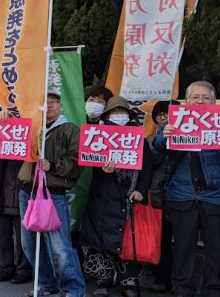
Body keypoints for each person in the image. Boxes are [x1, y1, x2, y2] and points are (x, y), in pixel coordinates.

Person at [152, 81, 220, 297]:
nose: (200, 101)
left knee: (216, 252)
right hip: (182, 195)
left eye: (206, 98)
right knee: (183, 250)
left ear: (214, 102)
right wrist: (164, 136)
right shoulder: (174, 122)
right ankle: (182, 291)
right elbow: (157, 147)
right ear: (186, 101)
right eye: (195, 97)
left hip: (215, 196)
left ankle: (213, 292)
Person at [14, 91, 86, 297]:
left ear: (61, 106)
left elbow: (77, 162)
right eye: (46, 102)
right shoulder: (33, 127)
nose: (50, 106)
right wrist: (4, 115)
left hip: (53, 194)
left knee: (61, 247)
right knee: (29, 244)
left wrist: (52, 165)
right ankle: (46, 283)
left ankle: (74, 289)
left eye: (54, 102)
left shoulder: (70, 129)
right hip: (27, 192)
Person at [80, 96, 154, 297]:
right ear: (107, 115)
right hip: (103, 195)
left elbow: (147, 167)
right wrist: (101, 168)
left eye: (122, 112)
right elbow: (88, 161)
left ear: (129, 115)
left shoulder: (138, 138)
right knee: (102, 239)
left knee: (128, 242)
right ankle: (102, 281)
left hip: (129, 197)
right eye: (114, 112)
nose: (118, 116)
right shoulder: (97, 136)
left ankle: (129, 282)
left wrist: (140, 188)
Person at [0, 156, 33, 285]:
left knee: (23, 236)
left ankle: (23, 270)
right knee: (2, 234)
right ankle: (7, 267)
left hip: (21, 188)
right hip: (0, 190)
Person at [146, 99, 177, 293]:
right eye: (160, 115)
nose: (164, 118)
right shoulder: (150, 140)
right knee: (162, 241)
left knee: (183, 242)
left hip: (182, 198)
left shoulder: (191, 137)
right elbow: (151, 160)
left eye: (168, 114)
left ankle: (179, 280)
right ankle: (161, 278)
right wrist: (163, 139)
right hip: (158, 198)